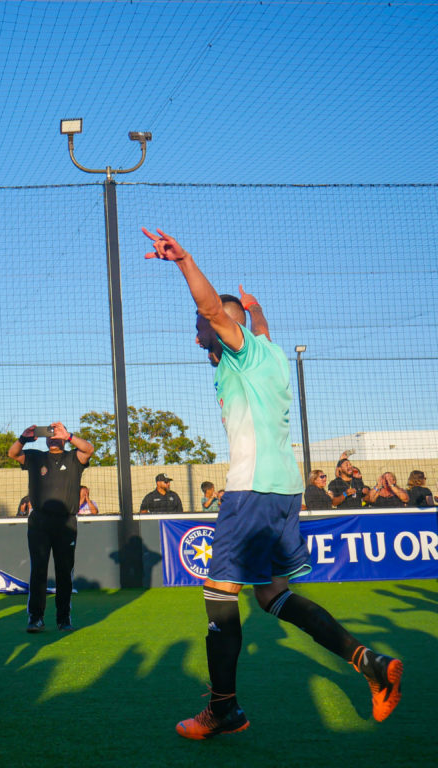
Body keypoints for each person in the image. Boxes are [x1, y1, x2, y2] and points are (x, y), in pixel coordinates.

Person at [144, 227, 402, 739]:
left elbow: (216, 311)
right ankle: (369, 663)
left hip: (254, 488)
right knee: (272, 595)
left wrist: (184, 261)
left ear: (223, 328)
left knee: (220, 592)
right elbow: (255, 324)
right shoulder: (268, 351)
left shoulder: (241, 352)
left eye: (200, 326)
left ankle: (223, 710)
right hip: (282, 489)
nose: (196, 333)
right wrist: (256, 309)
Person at [9, 422, 94, 633]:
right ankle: (35, 618)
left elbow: (89, 449)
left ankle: (63, 619)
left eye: (57, 435)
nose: (53, 438)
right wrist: (23, 438)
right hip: (40, 522)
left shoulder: (73, 458)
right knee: (38, 570)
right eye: (50, 435)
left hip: (66, 523)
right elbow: (13, 453)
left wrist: (69, 436)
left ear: (63, 438)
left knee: (64, 572)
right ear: (45, 439)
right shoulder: (36, 457)